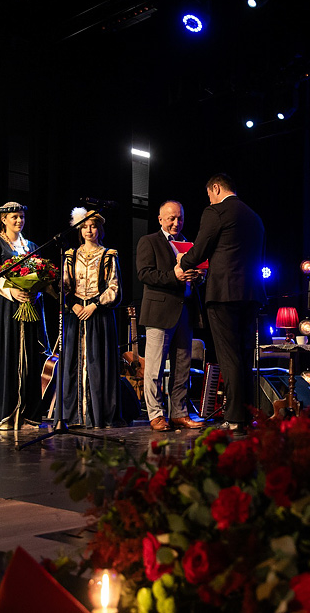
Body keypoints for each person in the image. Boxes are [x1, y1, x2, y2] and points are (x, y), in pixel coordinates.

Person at [177, 174, 266, 432]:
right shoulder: (254, 217)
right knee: (245, 355)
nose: (209, 199)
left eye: (209, 194)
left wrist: (182, 263)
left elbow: (201, 248)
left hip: (224, 294)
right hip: (251, 294)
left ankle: (235, 418)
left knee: (229, 356)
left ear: (215, 188)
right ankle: (247, 414)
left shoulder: (216, 211)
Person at [0, 202, 50, 430]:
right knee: (5, 356)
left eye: (21, 217)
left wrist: (34, 292)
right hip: (5, 309)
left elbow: (40, 275)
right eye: (14, 217)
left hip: (28, 307)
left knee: (27, 359)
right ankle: (4, 415)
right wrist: (11, 291)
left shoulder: (31, 246)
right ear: (4, 219)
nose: (19, 221)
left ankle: (27, 415)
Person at [137, 200, 206, 432]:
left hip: (185, 311)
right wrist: (173, 275)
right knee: (154, 368)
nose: (176, 223)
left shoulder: (188, 244)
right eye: (171, 218)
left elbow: (197, 275)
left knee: (182, 368)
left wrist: (198, 277)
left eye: (180, 218)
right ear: (160, 219)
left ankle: (179, 412)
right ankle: (156, 414)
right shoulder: (149, 241)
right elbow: (144, 274)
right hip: (159, 313)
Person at [60, 208, 127, 428]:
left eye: (93, 226)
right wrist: (75, 305)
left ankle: (99, 415)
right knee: (73, 363)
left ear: (100, 229)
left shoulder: (109, 255)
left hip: (99, 317)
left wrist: (95, 305)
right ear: (80, 229)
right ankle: (74, 415)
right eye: (85, 226)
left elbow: (114, 287)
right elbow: (64, 287)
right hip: (76, 315)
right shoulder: (70, 255)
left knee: (99, 363)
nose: (89, 230)